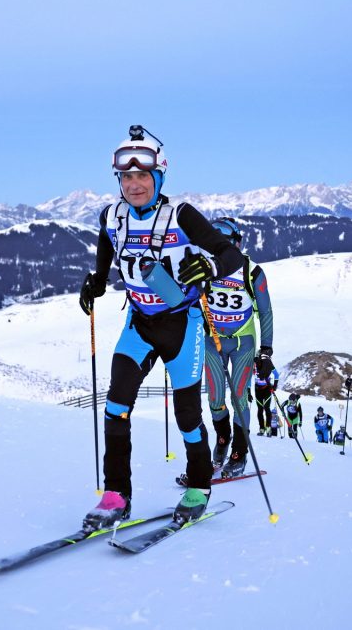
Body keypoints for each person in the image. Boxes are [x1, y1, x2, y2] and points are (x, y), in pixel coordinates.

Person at [79, 126, 243, 530]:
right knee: (115, 407)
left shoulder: (181, 215)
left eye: (142, 176)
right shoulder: (112, 215)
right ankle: (116, 495)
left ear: (159, 176)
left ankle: (199, 487)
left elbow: (231, 255)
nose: (134, 184)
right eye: (126, 177)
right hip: (139, 323)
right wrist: (98, 278)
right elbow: (107, 240)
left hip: (182, 324)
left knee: (187, 416)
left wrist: (209, 266)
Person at [200, 217, 275, 478]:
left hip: (243, 342)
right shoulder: (205, 268)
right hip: (213, 340)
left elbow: (265, 312)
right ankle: (223, 439)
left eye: (226, 242)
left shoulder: (251, 272)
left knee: (239, 396)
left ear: (237, 244)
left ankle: (239, 453)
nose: (220, 248)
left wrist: (266, 350)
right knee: (215, 398)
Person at [254, 365, 280, 436]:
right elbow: (249, 376)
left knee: (266, 408)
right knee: (260, 409)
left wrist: (275, 385)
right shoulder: (254, 364)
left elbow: (276, 374)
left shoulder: (268, 363)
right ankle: (262, 429)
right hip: (257, 389)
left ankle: (268, 428)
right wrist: (248, 390)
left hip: (267, 389)